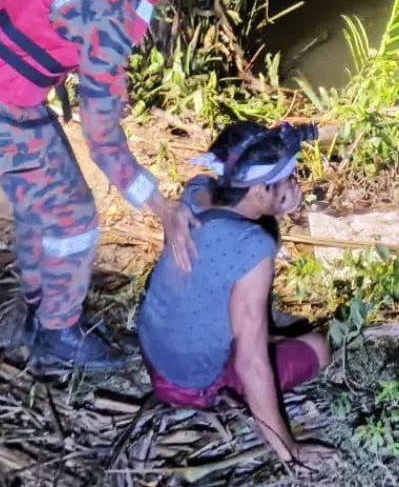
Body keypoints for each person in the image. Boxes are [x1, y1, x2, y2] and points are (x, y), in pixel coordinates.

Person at [0, 0, 216, 370]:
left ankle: (36, 301)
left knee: (42, 200)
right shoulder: (109, 15)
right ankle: (57, 336)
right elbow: (104, 142)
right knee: (74, 220)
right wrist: (163, 210)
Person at [137, 121, 336, 468]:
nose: (295, 184)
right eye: (288, 178)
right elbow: (251, 364)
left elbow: (207, 193)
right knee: (318, 347)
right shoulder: (253, 246)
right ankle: (217, 392)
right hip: (187, 384)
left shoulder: (195, 193)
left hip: (155, 353)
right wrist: (290, 449)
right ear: (259, 189)